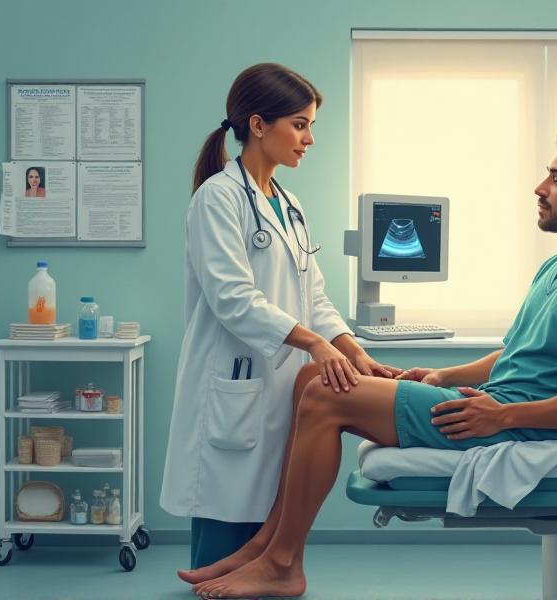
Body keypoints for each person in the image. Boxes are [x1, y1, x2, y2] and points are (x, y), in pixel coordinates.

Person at [187, 124, 557, 599]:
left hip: (518, 419)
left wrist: (501, 416)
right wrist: (443, 375)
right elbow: (518, 354)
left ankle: (283, 564)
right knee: (315, 372)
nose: (540, 188)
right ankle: (267, 544)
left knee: (325, 392)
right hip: (495, 405)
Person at [160, 63, 399, 574]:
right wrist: (315, 345)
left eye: (312, 125)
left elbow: (313, 294)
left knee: (271, 503)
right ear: (258, 124)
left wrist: (355, 351)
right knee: (227, 512)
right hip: (235, 377)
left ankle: (267, 574)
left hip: (282, 382)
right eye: (300, 124)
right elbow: (232, 298)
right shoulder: (218, 198)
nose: (309, 138)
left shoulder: (289, 204)